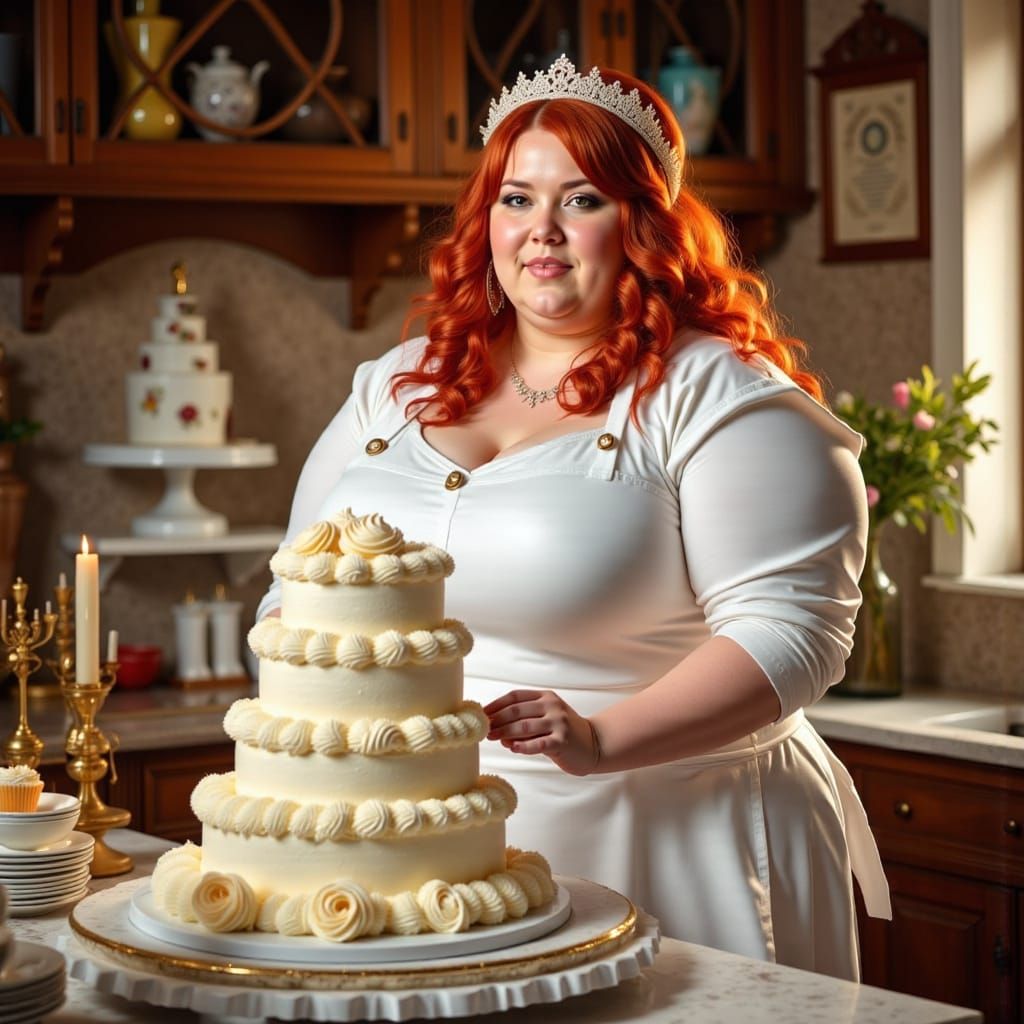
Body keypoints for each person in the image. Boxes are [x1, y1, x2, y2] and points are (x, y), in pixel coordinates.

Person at [257, 56, 890, 980]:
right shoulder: (393, 389)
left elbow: (791, 635)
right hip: (427, 851)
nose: (541, 232)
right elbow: (293, 586)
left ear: (643, 223)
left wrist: (601, 740)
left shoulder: (720, 398)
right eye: (517, 198)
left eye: (582, 200)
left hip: (671, 833)